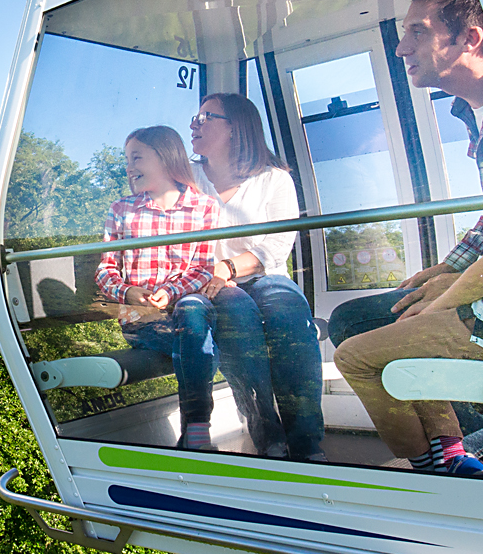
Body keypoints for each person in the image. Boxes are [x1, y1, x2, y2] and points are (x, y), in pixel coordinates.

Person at [324, 0, 483, 470]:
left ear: (470, 39)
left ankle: (482, 458)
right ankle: (471, 450)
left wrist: (452, 288)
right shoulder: (477, 111)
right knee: (360, 317)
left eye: (418, 31)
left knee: (357, 326)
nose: (400, 48)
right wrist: (446, 269)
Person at [190, 92, 324, 461]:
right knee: (237, 316)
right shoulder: (188, 180)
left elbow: (277, 245)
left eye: (205, 118)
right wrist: (212, 274)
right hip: (210, 284)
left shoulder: (273, 179)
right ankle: (268, 436)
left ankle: (306, 440)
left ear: (235, 127)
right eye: (195, 117)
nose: (193, 124)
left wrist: (229, 267)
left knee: (287, 312)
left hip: (261, 275)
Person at [95, 125, 225, 451]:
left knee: (191, 314)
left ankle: (196, 429)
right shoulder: (122, 210)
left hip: (186, 312)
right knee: (197, 339)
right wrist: (128, 292)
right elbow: (105, 269)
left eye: (136, 157)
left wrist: (169, 291)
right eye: (127, 159)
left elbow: (202, 268)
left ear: (165, 157)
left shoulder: (205, 208)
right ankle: (198, 430)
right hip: (143, 321)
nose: (129, 166)